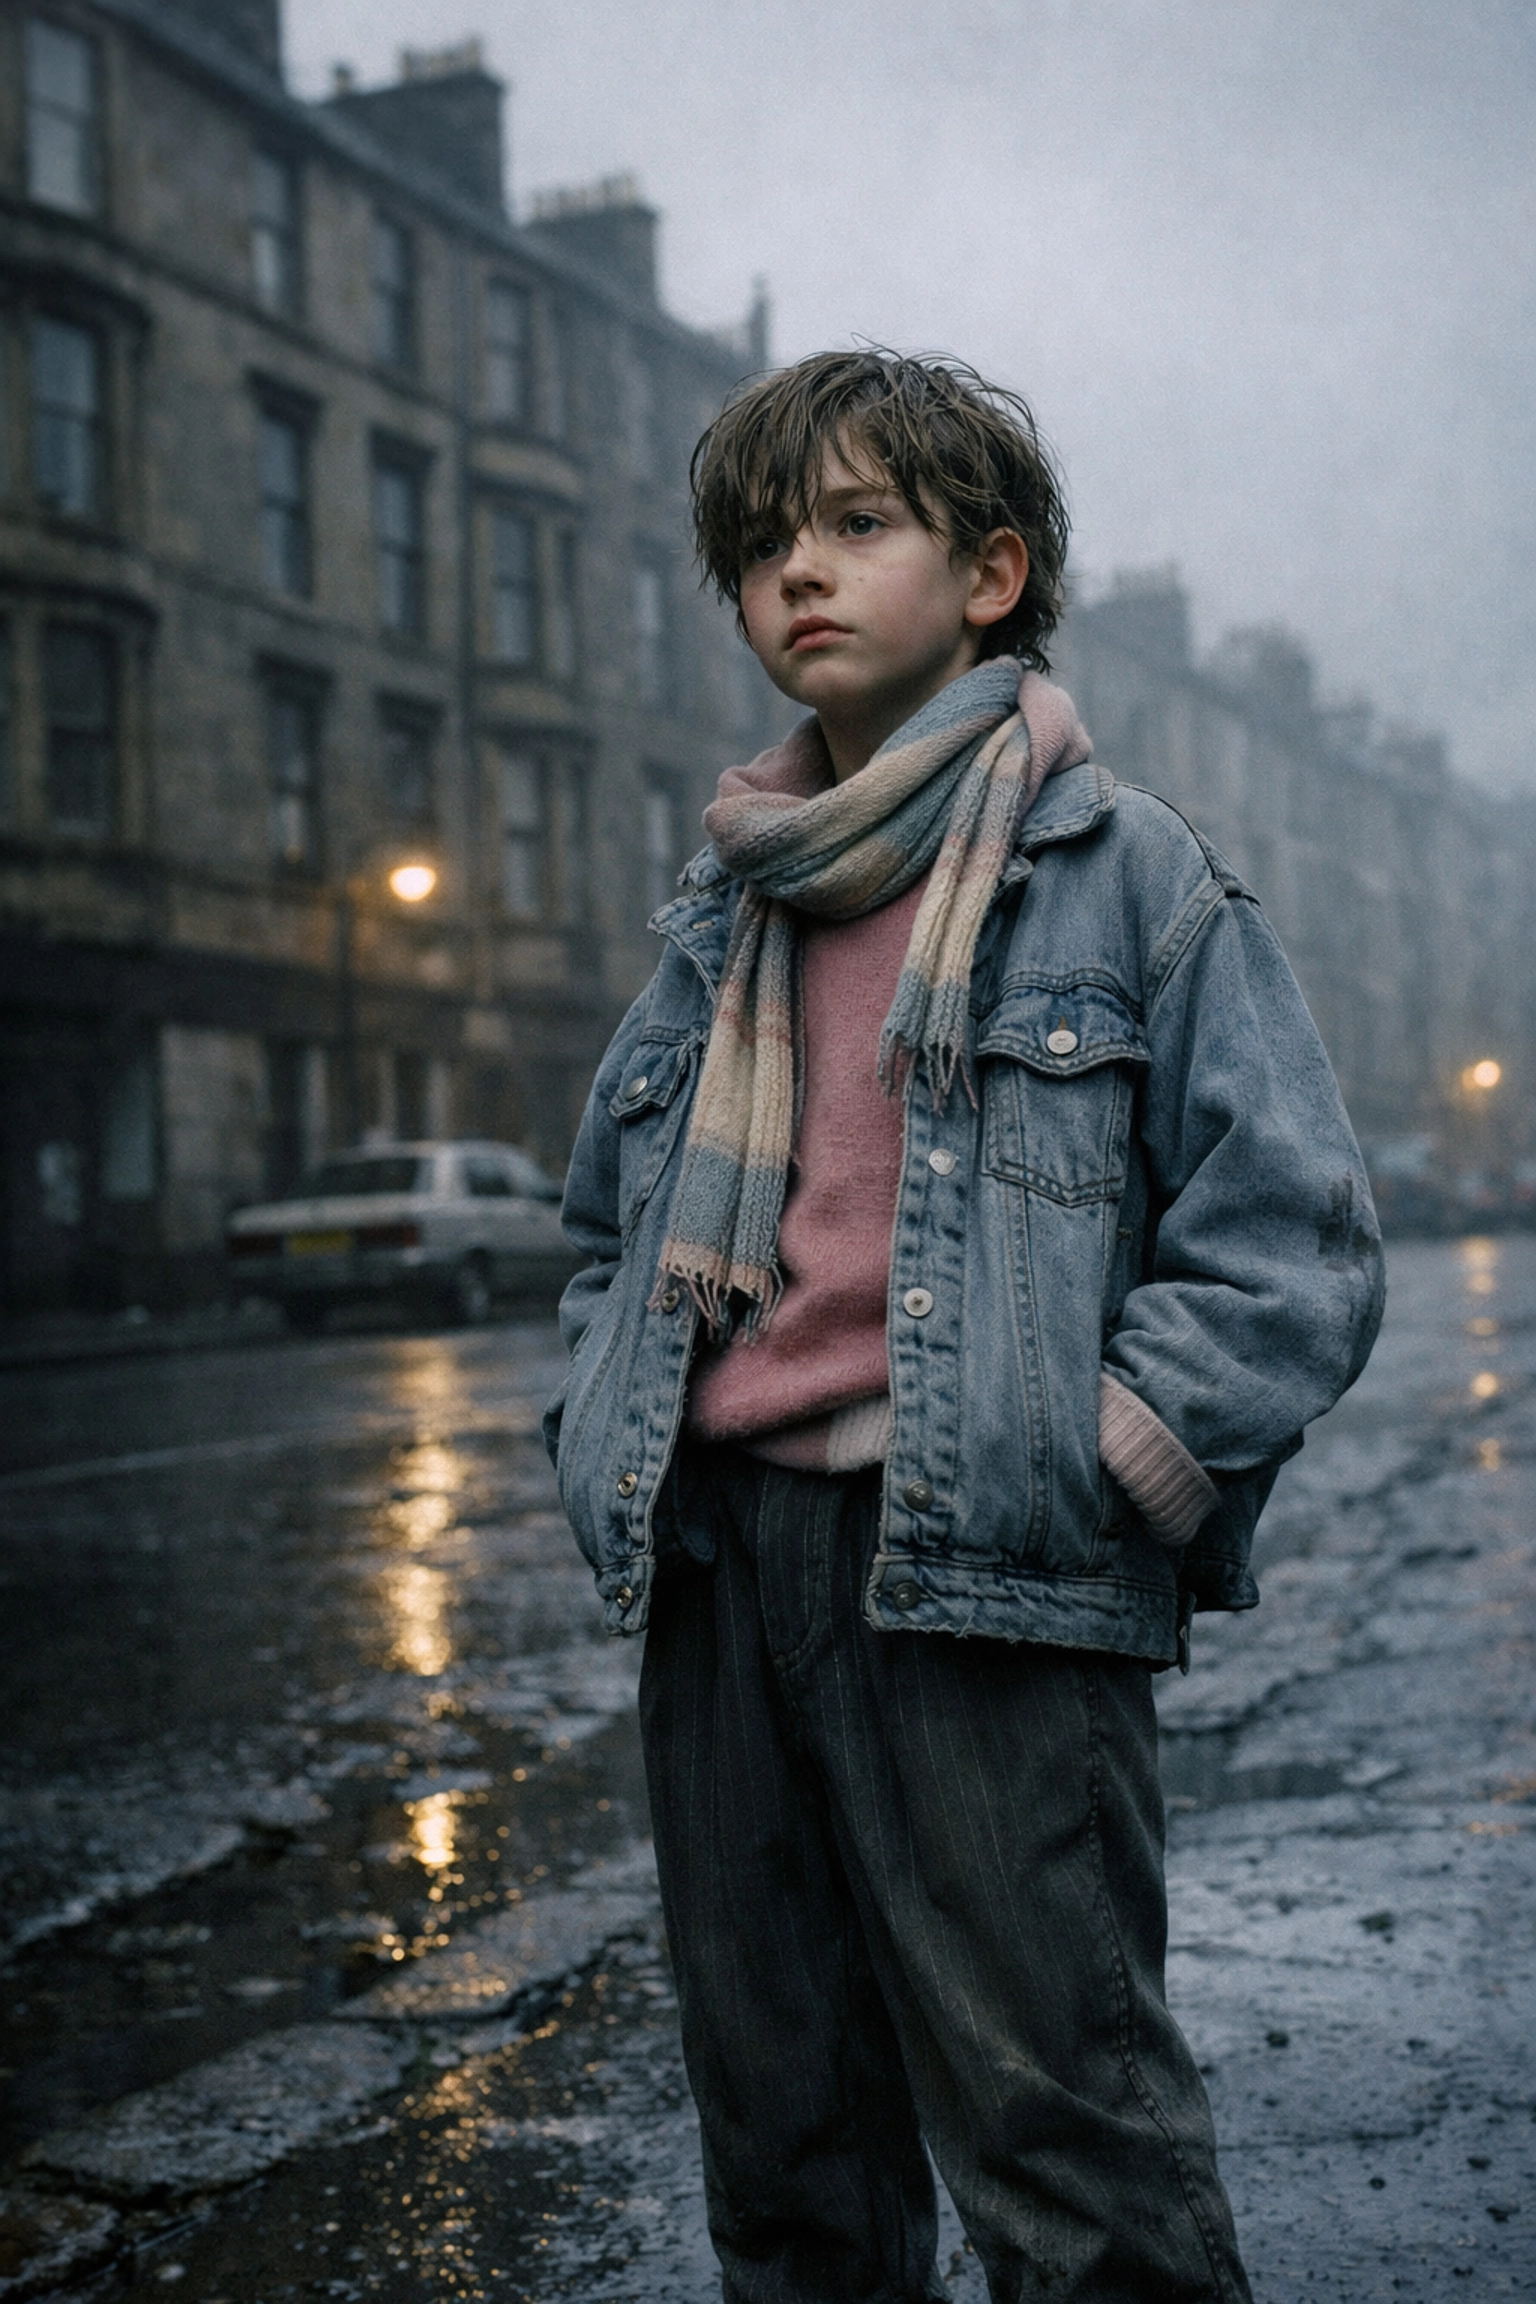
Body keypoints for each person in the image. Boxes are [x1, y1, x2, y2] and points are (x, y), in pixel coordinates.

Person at [544, 349, 1384, 2303]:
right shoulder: (723, 909)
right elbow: (606, 1223)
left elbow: (1297, 1234)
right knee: (789, 2154)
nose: (795, 578)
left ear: (994, 572)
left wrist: (1104, 1450)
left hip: (987, 1569)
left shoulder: (1127, 872)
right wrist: (602, 1414)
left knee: (1067, 2150)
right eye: (761, 550)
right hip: (720, 1571)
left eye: (854, 526)